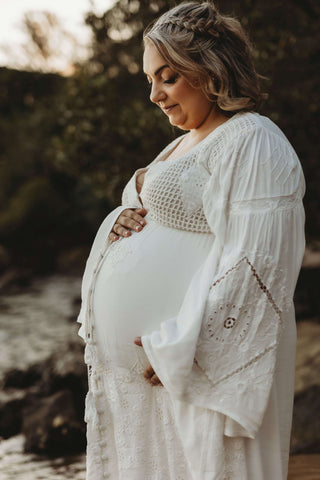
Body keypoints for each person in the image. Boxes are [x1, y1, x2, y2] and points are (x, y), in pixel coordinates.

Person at [77, 2, 305, 479]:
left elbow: (260, 259)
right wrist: (119, 220)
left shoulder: (252, 139)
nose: (155, 95)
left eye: (168, 77)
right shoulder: (183, 142)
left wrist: (190, 347)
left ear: (210, 71)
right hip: (145, 382)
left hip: (189, 374)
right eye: (149, 80)